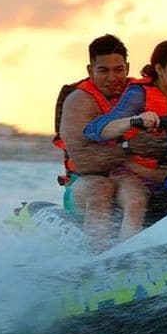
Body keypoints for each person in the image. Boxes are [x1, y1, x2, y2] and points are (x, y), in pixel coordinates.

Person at [55, 34, 151, 243]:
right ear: (90, 71)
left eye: (118, 70)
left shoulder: (141, 93)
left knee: (142, 193)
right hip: (83, 185)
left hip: (128, 178)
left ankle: (132, 258)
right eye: (103, 70)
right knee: (101, 187)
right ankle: (98, 264)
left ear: (127, 67)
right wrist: (129, 148)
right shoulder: (78, 101)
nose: (112, 77)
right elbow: (84, 162)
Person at [83, 40, 167, 184]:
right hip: (135, 176)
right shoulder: (138, 95)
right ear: (160, 69)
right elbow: (95, 129)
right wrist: (135, 120)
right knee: (136, 201)